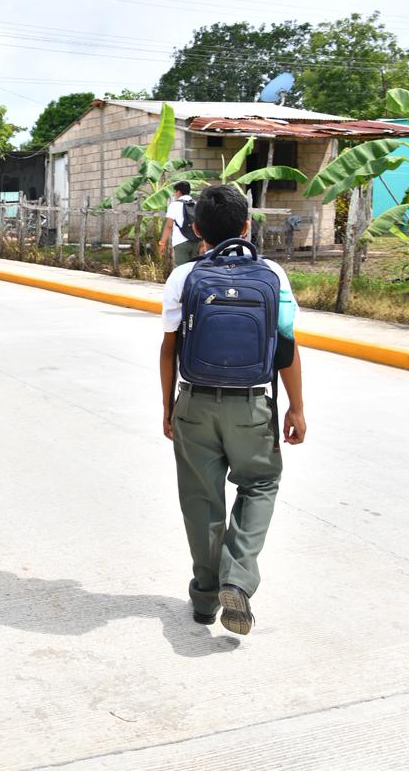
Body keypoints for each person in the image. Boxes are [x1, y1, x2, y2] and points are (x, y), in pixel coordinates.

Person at [159, 184, 307, 636]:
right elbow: (286, 345)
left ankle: (206, 598)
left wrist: (168, 406)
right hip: (252, 405)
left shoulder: (184, 277)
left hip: (194, 402)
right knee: (259, 484)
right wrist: (296, 408)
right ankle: (237, 579)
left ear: (196, 230)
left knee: (201, 500)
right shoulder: (272, 274)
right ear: (246, 226)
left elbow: (169, 348)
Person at [159, 182, 199, 267]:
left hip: (180, 242)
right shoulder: (196, 204)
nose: (174, 194)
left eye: (175, 192)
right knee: (193, 268)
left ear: (178, 192)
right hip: (195, 241)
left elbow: (169, 226)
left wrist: (162, 243)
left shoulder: (174, 205)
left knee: (181, 269)